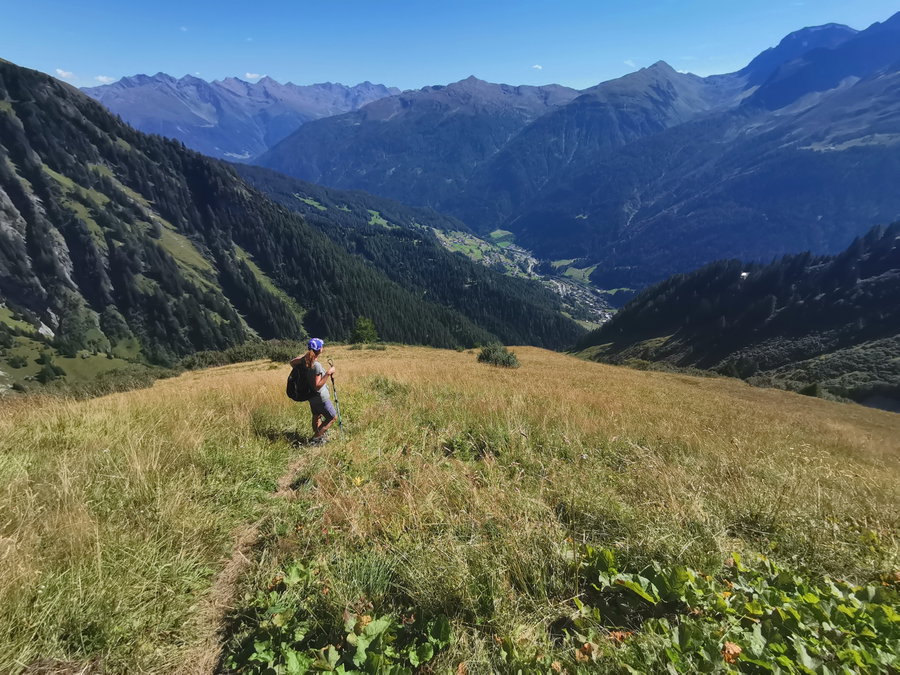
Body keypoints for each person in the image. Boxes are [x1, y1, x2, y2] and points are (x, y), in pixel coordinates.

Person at [290, 338, 337, 444]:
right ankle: (315, 439)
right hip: (320, 398)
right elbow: (317, 386)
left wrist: (303, 358)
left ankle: (319, 436)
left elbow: (292, 363)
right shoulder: (316, 365)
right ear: (319, 349)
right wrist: (328, 373)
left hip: (310, 396)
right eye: (322, 346)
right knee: (332, 417)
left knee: (317, 416)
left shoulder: (304, 361)